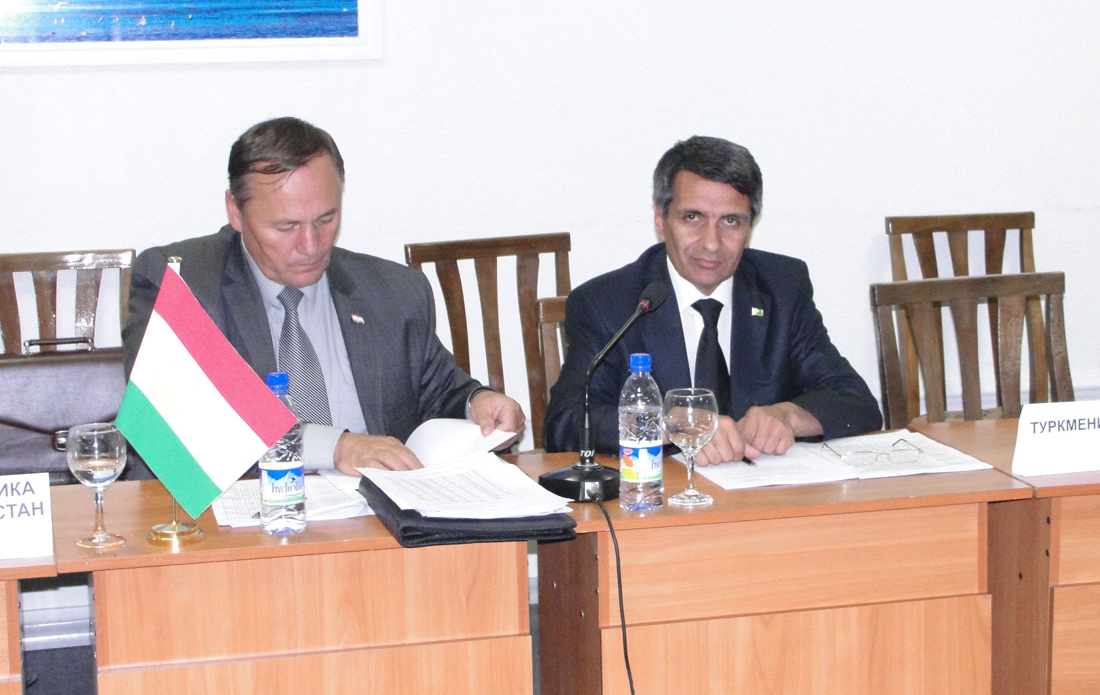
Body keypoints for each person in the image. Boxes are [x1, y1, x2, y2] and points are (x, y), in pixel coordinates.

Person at [123, 116, 524, 475]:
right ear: (235, 211)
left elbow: (440, 391)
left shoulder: (393, 292)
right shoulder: (184, 283)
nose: (311, 245)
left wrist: (478, 402)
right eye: (286, 226)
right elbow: (179, 419)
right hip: (241, 520)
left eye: (326, 219)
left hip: (375, 520)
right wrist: (337, 447)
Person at [543, 135, 881, 466]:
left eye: (730, 221)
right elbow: (566, 422)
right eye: (693, 218)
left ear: (750, 226)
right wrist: (670, 425)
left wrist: (789, 416)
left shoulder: (782, 288)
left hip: (761, 493)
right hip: (664, 494)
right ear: (661, 218)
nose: (711, 244)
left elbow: (856, 402)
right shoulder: (608, 303)